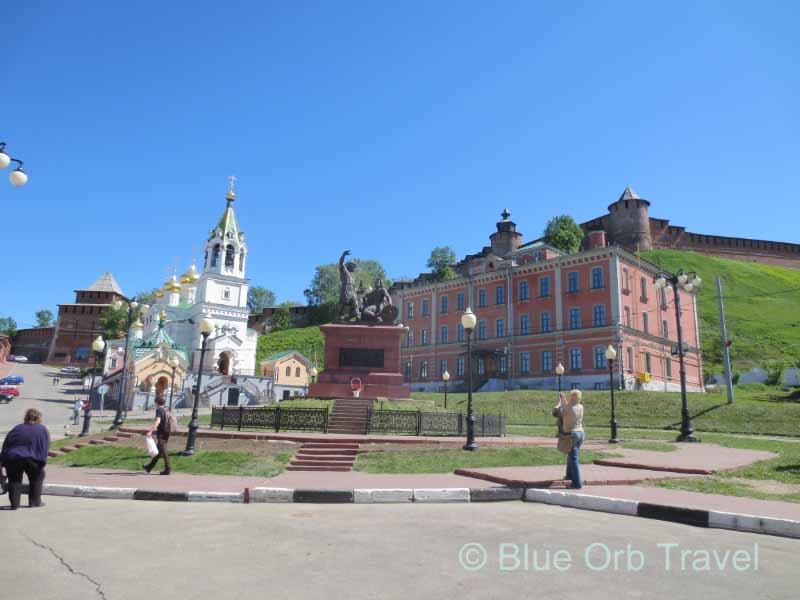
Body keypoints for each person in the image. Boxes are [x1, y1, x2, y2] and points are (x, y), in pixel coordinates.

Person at [0, 408, 50, 509]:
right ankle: (34, 502)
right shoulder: (42, 429)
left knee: (14, 480)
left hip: (12, 458)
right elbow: (44, 446)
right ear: (38, 418)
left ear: (26, 417)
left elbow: (6, 444)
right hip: (32, 458)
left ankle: (14, 505)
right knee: (37, 477)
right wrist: (42, 462)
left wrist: (2, 461)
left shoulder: (17, 428)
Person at [553, 390, 585, 489]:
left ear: (572, 397)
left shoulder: (568, 408)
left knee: (574, 458)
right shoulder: (580, 406)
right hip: (581, 433)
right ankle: (569, 475)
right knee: (571, 455)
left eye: (571, 396)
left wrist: (559, 402)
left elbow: (555, 412)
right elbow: (568, 407)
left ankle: (577, 483)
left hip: (572, 434)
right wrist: (564, 400)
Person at [142, 396, 171, 475]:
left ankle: (168, 468)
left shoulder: (159, 410)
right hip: (167, 431)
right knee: (159, 451)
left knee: (163, 450)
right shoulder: (166, 409)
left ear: (157, 403)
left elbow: (158, 421)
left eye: (155, 402)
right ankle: (149, 467)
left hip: (162, 432)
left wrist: (150, 431)